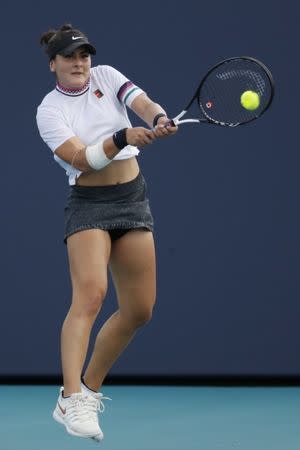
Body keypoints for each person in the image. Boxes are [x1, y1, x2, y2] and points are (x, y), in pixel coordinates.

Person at [36, 23, 177, 442]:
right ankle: (72, 396)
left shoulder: (107, 76)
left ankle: (88, 389)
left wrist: (158, 117)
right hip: (89, 206)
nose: (79, 63)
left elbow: (143, 101)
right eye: (69, 57)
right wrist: (121, 137)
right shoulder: (49, 110)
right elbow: (80, 159)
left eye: (84, 55)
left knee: (139, 310)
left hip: (133, 198)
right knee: (92, 294)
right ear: (53, 65)